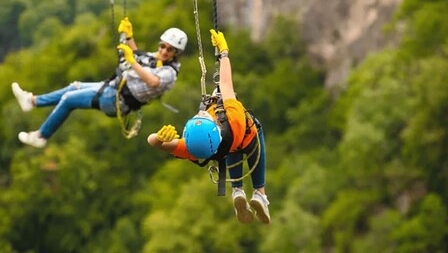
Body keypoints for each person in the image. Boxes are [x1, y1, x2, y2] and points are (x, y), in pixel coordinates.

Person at [147, 30, 270, 224]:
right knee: (254, 130)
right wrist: (224, 52)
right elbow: (226, 83)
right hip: (245, 136)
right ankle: (259, 193)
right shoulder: (233, 114)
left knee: (230, 150)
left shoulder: (193, 148)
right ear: (214, 125)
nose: (201, 113)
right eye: (204, 116)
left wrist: (159, 137)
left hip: (224, 149)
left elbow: (152, 142)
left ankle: (237, 189)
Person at [12, 17, 188, 148]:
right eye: (162, 46)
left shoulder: (169, 72)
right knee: (74, 86)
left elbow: (152, 81)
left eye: (169, 49)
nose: (164, 51)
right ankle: (32, 101)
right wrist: (128, 35)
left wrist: (132, 62)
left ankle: (41, 136)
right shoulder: (155, 58)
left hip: (117, 101)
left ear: (176, 53)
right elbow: (136, 54)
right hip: (113, 88)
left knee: (68, 99)